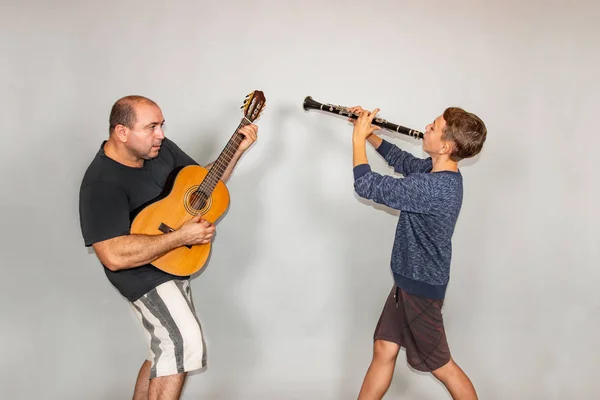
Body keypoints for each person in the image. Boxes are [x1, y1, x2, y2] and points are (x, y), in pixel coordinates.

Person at [78, 95, 258, 400]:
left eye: (161, 125)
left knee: (164, 348)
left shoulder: (159, 149)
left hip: (175, 258)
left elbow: (204, 185)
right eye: (151, 127)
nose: (160, 134)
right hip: (138, 269)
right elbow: (112, 255)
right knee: (183, 343)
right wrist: (181, 237)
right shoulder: (100, 183)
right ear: (122, 132)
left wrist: (236, 151)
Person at [349, 105, 487, 400]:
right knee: (384, 348)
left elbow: (366, 184)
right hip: (408, 280)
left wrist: (357, 140)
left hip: (420, 290)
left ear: (446, 146)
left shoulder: (433, 188)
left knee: (443, 367)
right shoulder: (437, 172)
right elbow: (403, 161)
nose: (426, 127)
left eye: (434, 127)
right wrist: (372, 136)